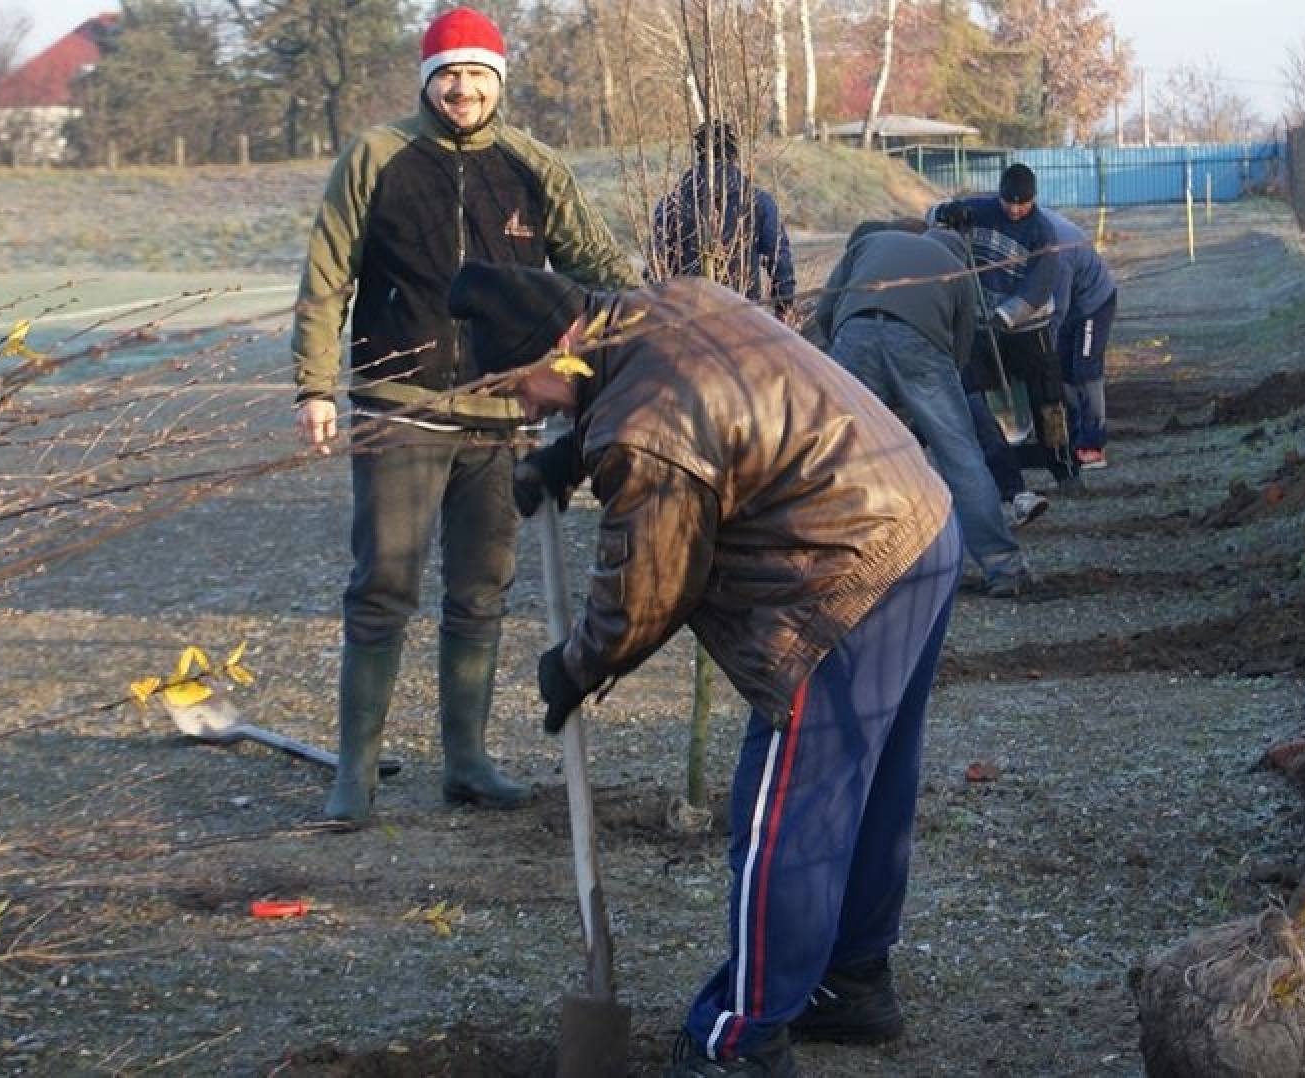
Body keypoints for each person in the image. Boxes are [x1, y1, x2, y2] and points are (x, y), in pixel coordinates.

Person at [445, 260, 961, 1078]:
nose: (523, 406)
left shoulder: (644, 427)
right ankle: (851, 982)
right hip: (918, 526)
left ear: (562, 345)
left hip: (841, 572)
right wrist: (572, 456)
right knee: (868, 784)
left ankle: (742, 1037)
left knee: (786, 815)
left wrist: (575, 668)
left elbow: (649, 591)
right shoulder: (665, 304)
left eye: (521, 383)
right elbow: (699, 395)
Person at [290, 6, 641, 826]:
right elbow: (326, 277)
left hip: (501, 413)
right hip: (399, 407)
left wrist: (619, 340)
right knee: (383, 586)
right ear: (427, 81)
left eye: (478, 74)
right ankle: (356, 772)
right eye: (449, 73)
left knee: (481, 590)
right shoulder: (375, 156)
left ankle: (468, 762)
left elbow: (599, 271)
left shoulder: (532, 165)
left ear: (498, 83)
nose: (463, 87)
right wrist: (313, 386)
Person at [809, 216, 1033, 598]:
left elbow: (825, 312)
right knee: (961, 458)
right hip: (922, 348)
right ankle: (1003, 567)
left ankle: (830, 571)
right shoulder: (958, 269)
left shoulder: (871, 243)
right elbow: (961, 348)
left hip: (854, 335)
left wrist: (853, 361)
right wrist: (931, 396)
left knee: (842, 455)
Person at [929, 163, 1073, 494]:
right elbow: (931, 218)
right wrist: (946, 212)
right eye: (1008, 201)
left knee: (1048, 400)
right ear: (1000, 195)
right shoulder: (980, 211)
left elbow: (1039, 287)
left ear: (1033, 200)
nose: (1014, 209)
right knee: (981, 396)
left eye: (1022, 203)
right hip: (981, 328)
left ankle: (1064, 468)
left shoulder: (1043, 233)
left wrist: (1006, 316)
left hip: (1029, 327)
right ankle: (1000, 470)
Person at [651, 121, 798, 317]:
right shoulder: (757, 201)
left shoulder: (670, 205)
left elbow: (656, 267)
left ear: (699, 153)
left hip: (686, 318)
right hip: (744, 315)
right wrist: (784, 307)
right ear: (734, 154)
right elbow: (779, 257)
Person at [1044, 208, 1119, 470]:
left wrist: (1043, 347)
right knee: (1064, 370)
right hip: (1071, 302)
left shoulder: (1059, 249)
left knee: (1085, 369)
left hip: (1093, 304)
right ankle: (1074, 435)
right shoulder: (1026, 230)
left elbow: (1058, 308)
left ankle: (1093, 443)